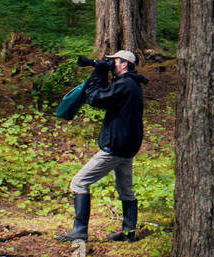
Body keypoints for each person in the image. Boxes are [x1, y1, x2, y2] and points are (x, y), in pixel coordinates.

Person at [58, 50, 148, 243]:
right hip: (127, 147)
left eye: (113, 61)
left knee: (79, 183)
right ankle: (128, 233)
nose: (111, 64)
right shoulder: (132, 84)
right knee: (126, 190)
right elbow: (108, 97)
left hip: (114, 148)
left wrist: (98, 74)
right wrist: (101, 71)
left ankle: (79, 230)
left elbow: (96, 99)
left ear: (124, 64)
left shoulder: (124, 84)